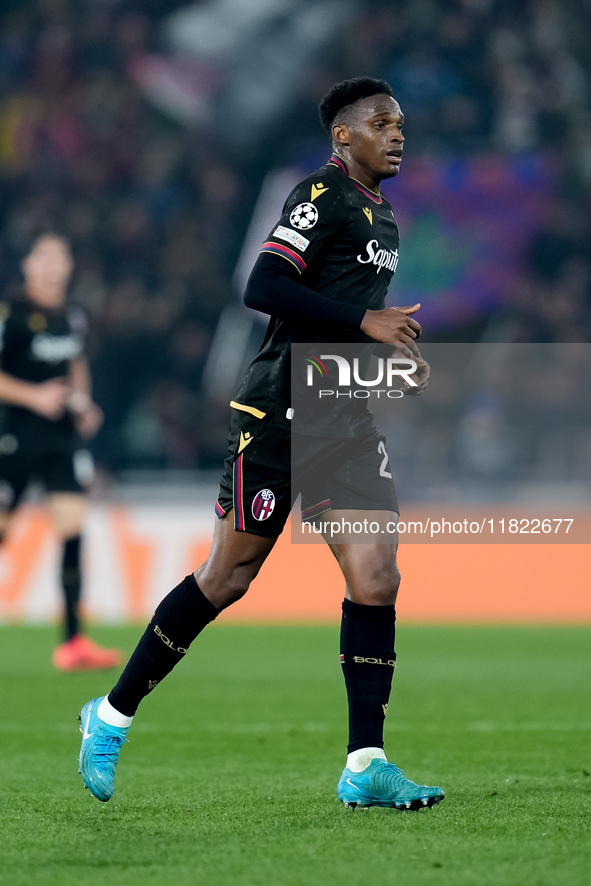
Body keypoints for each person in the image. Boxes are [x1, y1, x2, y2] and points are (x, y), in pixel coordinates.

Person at [78, 77, 444, 810]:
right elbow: (263, 285)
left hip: (340, 410)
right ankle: (110, 715)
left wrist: (379, 350)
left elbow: (338, 322)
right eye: (381, 123)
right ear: (344, 136)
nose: (397, 134)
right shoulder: (321, 195)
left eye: (400, 124)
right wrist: (364, 323)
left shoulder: (383, 217)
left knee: (376, 576)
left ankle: (364, 762)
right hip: (278, 406)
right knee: (228, 577)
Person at [0, 232, 122, 671]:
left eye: (60, 258)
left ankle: (72, 643)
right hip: (12, 437)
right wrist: (34, 397)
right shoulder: (11, 314)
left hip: (60, 440)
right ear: (28, 265)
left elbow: (76, 363)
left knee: (73, 531)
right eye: (44, 257)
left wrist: (82, 402)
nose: (53, 266)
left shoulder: (72, 316)